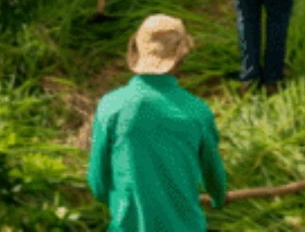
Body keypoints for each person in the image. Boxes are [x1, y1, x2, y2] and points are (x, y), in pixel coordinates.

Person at [88, 14, 227, 232]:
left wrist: (124, 205)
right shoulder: (197, 111)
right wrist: (218, 199)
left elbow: (98, 182)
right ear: (181, 57)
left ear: (137, 50)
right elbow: (214, 177)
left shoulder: (111, 106)